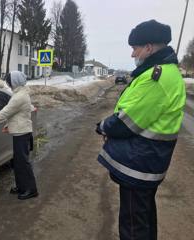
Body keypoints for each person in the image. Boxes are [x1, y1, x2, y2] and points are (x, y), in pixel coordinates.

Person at [96, 19, 186, 239]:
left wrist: (103, 126)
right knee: (143, 217)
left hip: (141, 161)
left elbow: (127, 121)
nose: (132, 55)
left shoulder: (158, 77)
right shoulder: (164, 72)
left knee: (133, 225)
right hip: (148, 159)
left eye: (134, 49)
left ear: (148, 47)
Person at [0, 71, 38, 200]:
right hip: (20, 131)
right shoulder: (20, 93)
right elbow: (16, 114)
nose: (8, 84)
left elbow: (3, 114)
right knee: (18, 162)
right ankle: (21, 186)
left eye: (9, 81)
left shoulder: (18, 97)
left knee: (23, 163)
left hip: (21, 133)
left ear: (14, 82)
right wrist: (8, 126)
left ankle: (31, 189)